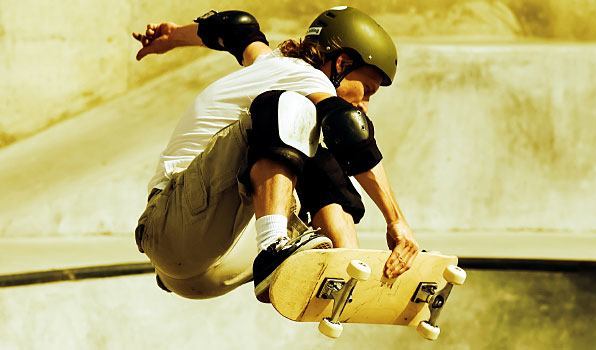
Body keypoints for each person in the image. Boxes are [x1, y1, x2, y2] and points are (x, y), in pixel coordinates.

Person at [133, 6, 419, 302]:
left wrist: (173, 36)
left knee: (318, 155)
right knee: (293, 110)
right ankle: (274, 248)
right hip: (171, 227)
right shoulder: (310, 79)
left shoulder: (269, 62)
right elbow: (349, 129)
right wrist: (395, 220)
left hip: (206, 265)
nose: (365, 106)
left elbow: (234, 28)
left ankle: (347, 269)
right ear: (342, 63)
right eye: (367, 90)